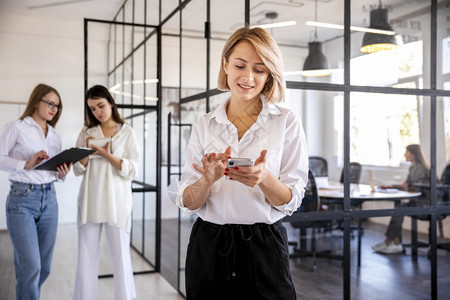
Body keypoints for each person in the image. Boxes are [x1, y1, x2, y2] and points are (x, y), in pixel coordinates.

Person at [168, 26, 308, 300]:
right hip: (209, 245)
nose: (248, 77)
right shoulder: (205, 124)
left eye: (259, 69)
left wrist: (264, 178)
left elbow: (291, 200)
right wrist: (206, 181)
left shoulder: (286, 121)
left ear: (269, 75)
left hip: (264, 247)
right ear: (225, 64)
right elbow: (189, 201)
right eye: (240, 65)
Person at [0, 83, 72, 299]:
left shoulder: (54, 136)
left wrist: (63, 172)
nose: (54, 109)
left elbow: (55, 173)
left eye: (57, 106)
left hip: (50, 198)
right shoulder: (17, 127)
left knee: (44, 267)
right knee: (30, 267)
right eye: (50, 103)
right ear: (36, 101)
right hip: (22, 200)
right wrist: (26, 164)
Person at [72, 85, 140, 300]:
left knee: (121, 258)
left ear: (111, 103)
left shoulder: (127, 132)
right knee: (86, 257)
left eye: (100, 106)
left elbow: (133, 170)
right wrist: (85, 154)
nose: (97, 112)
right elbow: (77, 168)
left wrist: (107, 155)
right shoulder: (86, 133)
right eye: (92, 109)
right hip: (91, 200)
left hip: (116, 203)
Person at [372, 144, 430, 254]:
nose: (405, 154)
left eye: (407, 152)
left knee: (399, 210)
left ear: (413, 155)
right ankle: (393, 242)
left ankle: (392, 242)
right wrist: (393, 186)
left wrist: (398, 186)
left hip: (424, 204)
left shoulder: (420, 168)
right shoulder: (413, 167)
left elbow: (414, 187)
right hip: (416, 202)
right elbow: (407, 185)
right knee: (399, 208)